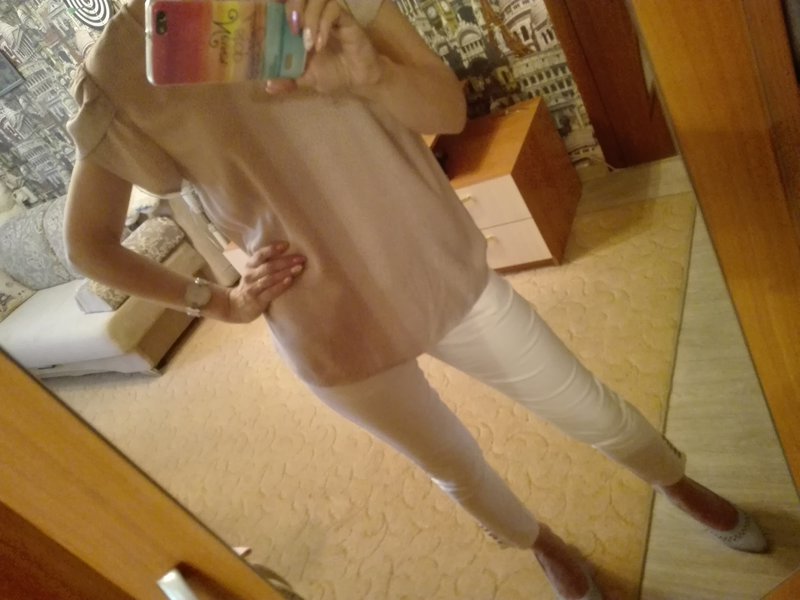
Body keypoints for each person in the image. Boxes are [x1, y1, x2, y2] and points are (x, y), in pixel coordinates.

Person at [63, 1, 768, 598]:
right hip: (326, 321)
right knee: (456, 468)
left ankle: (676, 483)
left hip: (434, 261)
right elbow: (90, 245)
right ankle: (541, 544)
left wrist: (371, 77)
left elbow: (447, 111)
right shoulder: (121, 69)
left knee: (587, 406)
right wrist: (220, 303)